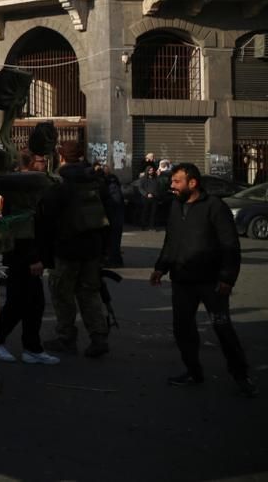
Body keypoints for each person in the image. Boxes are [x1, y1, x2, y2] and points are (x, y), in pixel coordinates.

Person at [151, 163, 256, 397]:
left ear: (193, 183)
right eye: (172, 181)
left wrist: (227, 278)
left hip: (212, 283)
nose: (172, 186)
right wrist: (160, 267)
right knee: (183, 329)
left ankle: (241, 375)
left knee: (222, 328)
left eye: (177, 181)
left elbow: (230, 245)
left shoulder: (215, 207)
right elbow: (171, 241)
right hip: (182, 281)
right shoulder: (176, 206)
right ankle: (193, 371)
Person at [40, 140, 111, 358]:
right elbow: (109, 214)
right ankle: (98, 337)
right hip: (92, 248)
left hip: (66, 248)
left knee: (62, 294)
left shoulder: (59, 184)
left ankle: (66, 337)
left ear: (61, 157)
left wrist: (44, 252)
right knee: (89, 293)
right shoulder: (96, 181)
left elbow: (47, 219)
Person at [0, 150, 60, 365]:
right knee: (18, 303)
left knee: (33, 304)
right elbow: (22, 228)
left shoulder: (31, 185)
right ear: (29, 163)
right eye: (41, 160)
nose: (45, 163)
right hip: (20, 255)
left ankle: (31, 347)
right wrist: (33, 258)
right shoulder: (21, 187)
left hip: (28, 253)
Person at [101, 164, 125, 266]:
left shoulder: (111, 185)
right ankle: (114, 259)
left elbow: (116, 201)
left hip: (113, 217)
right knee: (114, 240)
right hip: (115, 217)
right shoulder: (113, 183)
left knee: (113, 240)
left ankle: (114, 261)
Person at [136, 164, 159, 231]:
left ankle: (152, 226)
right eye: (150, 170)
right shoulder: (143, 179)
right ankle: (143, 226)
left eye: (152, 170)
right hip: (145, 198)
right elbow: (140, 188)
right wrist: (146, 194)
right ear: (147, 171)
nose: (151, 171)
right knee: (145, 212)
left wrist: (155, 194)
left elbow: (158, 188)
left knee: (153, 213)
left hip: (154, 198)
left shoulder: (156, 179)